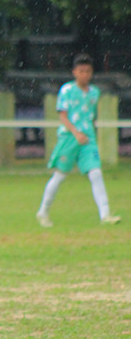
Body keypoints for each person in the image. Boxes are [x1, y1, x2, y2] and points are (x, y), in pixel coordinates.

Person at [36, 54, 121, 227]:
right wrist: (76, 133)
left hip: (87, 138)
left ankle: (105, 215)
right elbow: (63, 115)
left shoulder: (94, 93)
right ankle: (43, 212)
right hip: (70, 138)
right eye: (81, 71)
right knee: (59, 176)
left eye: (88, 71)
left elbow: (91, 116)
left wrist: (89, 132)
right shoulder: (67, 90)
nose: (85, 74)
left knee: (96, 173)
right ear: (74, 72)